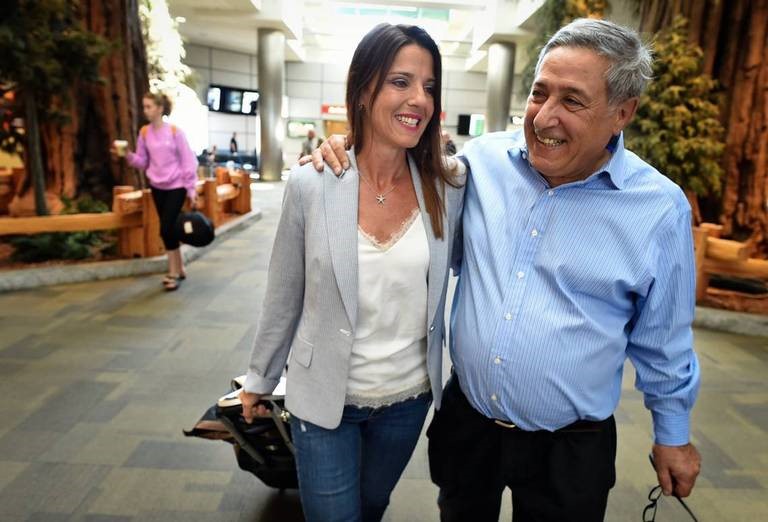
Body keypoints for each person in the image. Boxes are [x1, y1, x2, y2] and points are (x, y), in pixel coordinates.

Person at [306, 18, 701, 522]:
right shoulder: (482, 163)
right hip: (469, 426)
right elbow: (395, 177)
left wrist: (672, 436)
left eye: (573, 101)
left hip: (570, 446)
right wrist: (342, 153)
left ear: (622, 113)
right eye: (540, 93)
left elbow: (663, 339)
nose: (545, 117)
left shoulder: (658, 210)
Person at [239, 23, 464, 522]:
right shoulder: (313, 181)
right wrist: (260, 377)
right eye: (400, 81)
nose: (418, 99)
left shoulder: (448, 186)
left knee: (371, 507)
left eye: (429, 87)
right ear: (364, 90)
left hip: (408, 399)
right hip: (324, 399)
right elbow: (284, 292)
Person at [112, 92, 198, 291]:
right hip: (157, 187)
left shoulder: (175, 132)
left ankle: (173, 273)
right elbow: (143, 162)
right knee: (170, 229)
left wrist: (191, 188)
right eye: (144, 106)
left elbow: (187, 161)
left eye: (149, 106)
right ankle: (180, 267)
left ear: (160, 108)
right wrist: (127, 156)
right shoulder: (144, 133)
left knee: (165, 228)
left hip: (177, 186)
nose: (146, 110)